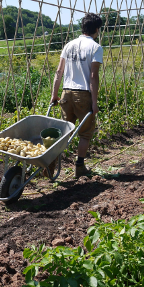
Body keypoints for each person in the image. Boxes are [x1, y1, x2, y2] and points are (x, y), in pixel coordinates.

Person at [49, 12, 103, 178]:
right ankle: (79, 166)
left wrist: (54, 95)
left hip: (66, 93)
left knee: (64, 133)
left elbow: (59, 71)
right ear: (96, 29)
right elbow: (93, 76)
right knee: (85, 133)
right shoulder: (95, 47)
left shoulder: (69, 45)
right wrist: (94, 102)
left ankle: (49, 165)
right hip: (83, 95)